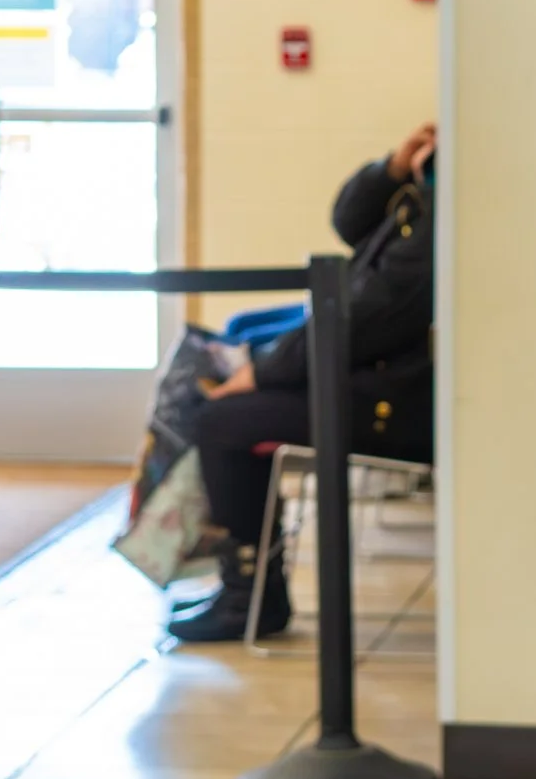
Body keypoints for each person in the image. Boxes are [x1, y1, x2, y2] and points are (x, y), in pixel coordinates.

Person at [165, 122, 437, 644]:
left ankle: (250, 600)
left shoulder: (451, 209)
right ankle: (249, 590)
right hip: (384, 383)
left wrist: (263, 371)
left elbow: (369, 316)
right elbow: (351, 221)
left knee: (223, 423)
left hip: (402, 404)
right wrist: (393, 170)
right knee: (228, 407)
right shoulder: (429, 201)